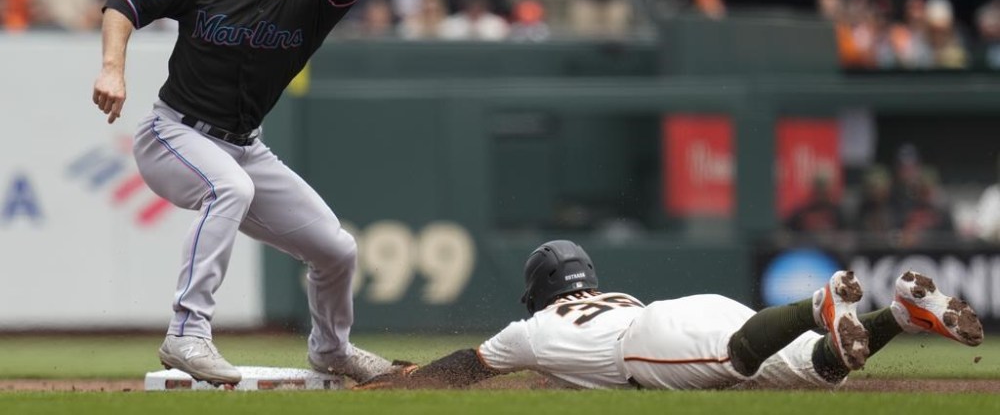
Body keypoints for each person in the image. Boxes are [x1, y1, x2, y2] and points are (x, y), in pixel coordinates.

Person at [91, 0, 397, 386]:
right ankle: (187, 331)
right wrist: (111, 68)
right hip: (172, 133)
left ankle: (331, 349)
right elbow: (124, 1)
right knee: (229, 187)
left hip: (244, 147)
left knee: (337, 249)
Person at [358, 240, 983, 391]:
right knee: (816, 371)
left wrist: (408, 381)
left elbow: (469, 365)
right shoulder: (617, 294)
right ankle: (901, 313)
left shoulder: (531, 329)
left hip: (646, 343)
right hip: (691, 308)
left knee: (735, 360)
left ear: (541, 289)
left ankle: (816, 305)